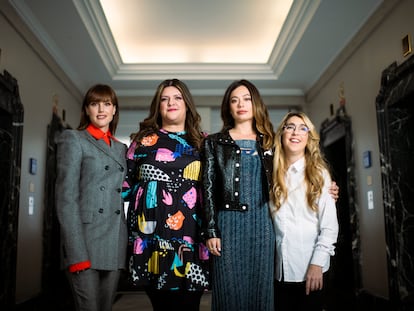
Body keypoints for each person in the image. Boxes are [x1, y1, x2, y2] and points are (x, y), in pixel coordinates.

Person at [122, 79, 210, 311]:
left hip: (192, 236)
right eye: (165, 98)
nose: (171, 103)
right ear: (158, 106)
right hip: (151, 238)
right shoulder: (141, 142)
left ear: (187, 104)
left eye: (177, 97)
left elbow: (213, 190)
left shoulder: (203, 142)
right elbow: (123, 188)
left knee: (190, 306)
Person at [200, 79, 276, 310]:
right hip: (228, 225)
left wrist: (326, 187)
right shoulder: (213, 142)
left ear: (256, 104)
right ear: (228, 108)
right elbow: (208, 188)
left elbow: (294, 173)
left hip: (264, 224)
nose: (240, 104)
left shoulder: (271, 140)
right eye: (234, 100)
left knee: (261, 292)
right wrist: (211, 230)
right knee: (228, 293)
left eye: (246, 99)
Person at [55, 84, 127, 311]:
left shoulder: (121, 149)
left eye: (107, 104)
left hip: (114, 241)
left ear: (114, 110)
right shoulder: (74, 139)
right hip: (85, 241)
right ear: (86, 109)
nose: (101, 109)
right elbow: (66, 199)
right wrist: (76, 251)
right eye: (94, 104)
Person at [270, 111, 339, 311]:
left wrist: (317, 264)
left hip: (311, 270)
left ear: (309, 137)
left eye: (303, 128)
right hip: (279, 272)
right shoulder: (271, 174)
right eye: (290, 127)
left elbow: (329, 227)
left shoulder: (319, 175)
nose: (295, 132)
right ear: (282, 134)